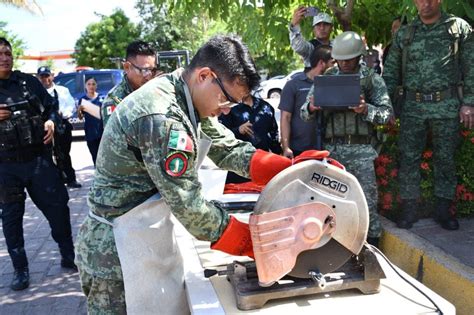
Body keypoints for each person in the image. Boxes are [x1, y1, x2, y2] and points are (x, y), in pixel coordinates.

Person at [74, 35, 337, 314]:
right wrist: (259, 244)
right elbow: (192, 210)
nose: (226, 110)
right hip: (114, 251)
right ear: (204, 75)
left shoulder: (182, 90)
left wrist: (292, 168)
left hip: (139, 232)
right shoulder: (162, 118)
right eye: (226, 98)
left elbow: (228, 148)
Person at [383, 0, 473, 230]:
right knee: (409, 158)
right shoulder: (405, 34)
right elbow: (391, 73)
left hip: (447, 105)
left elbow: (471, 66)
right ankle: (409, 209)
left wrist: (469, 103)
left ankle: (443, 210)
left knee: (445, 158)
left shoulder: (457, 28)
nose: (426, 3)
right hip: (413, 107)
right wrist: (387, 106)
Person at [301, 31, 393, 247]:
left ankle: (371, 248)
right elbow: (304, 113)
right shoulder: (326, 78)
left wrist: (365, 109)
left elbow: (387, 114)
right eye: (340, 59)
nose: (343, 64)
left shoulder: (371, 78)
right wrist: (312, 107)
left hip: (361, 151)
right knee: (330, 203)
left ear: (358, 56)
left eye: (348, 59)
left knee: (367, 203)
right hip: (332, 151)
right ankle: (333, 248)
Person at [0, 37, 76, 291]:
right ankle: (20, 270)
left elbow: (51, 107)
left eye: (7, 52)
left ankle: (68, 253)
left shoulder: (28, 82)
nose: (5, 57)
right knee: (11, 219)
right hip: (6, 167)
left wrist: (52, 122)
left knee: (58, 208)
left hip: (38, 161)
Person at [279, 45, 335, 159]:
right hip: (299, 149)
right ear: (322, 63)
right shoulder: (293, 85)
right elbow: (285, 118)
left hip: (326, 149)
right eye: (332, 63)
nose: (335, 67)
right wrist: (286, 148)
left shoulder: (332, 84)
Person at [218, 94, 282, 183]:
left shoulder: (265, 107)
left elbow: (273, 132)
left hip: (261, 163)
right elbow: (220, 137)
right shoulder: (228, 108)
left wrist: (278, 153)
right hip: (237, 166)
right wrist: (238, 130)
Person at [37, 66, 82, 188]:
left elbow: (71, 105)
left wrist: (61, 113)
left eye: (47, 76)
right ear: (38, 78)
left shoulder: (62, 90)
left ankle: (70, 179)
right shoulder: (36, 93)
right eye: (42, 77)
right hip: (44, 127)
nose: (45, 79)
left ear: (51, 76)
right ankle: (55, 179)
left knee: (64, 153)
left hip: (62, 125)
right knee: (46, 155)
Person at [101, 40, 159, 127]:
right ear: (127, 67)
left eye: (152, 70)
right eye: (144, 70)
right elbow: (115, 138)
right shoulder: (115, 101)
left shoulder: (155, 90)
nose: (149, 75)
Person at [78, 77, 104, 165]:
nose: (91, 86)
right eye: (89, 84)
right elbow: (81, 117)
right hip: (90, 132)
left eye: (93, 84)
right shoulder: (82, 100)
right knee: (94, 156)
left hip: (102, 131)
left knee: (103, 156)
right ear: (85, 86)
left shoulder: (101, 98)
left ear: (96, 86)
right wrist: (79, 110)